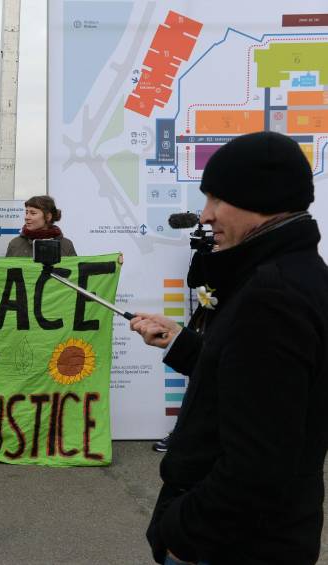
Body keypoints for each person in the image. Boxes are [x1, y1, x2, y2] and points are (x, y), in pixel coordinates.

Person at [129, 131, 328, 564]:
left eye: (216, 199)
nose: (205, 215)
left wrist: (182, 533)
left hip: (229, 547)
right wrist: (182, 343)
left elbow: (259, 464)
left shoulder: (272, 297)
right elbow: (252, 387)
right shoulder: (290, 275)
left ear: (260, 199)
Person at [5, 195, 77, 258]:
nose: (26, 217)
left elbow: (74, 269)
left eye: (33, 213)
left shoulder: (66, 245)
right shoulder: (15, 244)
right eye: (26, 213)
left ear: (48, 217)